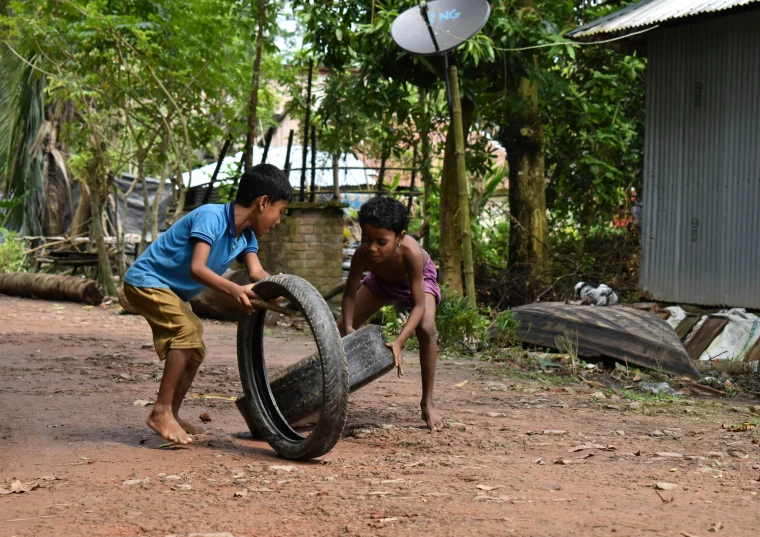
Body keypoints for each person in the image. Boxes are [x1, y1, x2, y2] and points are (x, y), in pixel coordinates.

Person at [123, 164, 292, 445]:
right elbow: (197, 269)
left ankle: (172, 414)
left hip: (171, 292)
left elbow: (257, 274)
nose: (278, 221)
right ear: (263, 203)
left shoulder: (246, 237)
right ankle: (160, 411)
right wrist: (233, 289)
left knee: (195, 349)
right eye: (280, 211)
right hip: (146, 280)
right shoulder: (210, 217)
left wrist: (277, 288)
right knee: (186, 332)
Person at [338, 196, 445, 431]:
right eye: (367, 240)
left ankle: (427, 402)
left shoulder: (411, 253)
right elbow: (348, 296)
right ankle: (328, 400)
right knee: (337, 329)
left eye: (381, 241)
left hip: (418, 280)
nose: (372, 248)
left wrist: (399, 341)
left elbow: (418, 305)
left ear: (400, 237)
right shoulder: (362, 254)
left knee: (426, 327)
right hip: (381, 282)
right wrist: (348, 329)